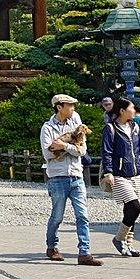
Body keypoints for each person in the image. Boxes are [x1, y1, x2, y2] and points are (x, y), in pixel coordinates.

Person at [40, 93, 101, 266]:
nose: (73, 108)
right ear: (59, 107)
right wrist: (70, 146)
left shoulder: (77, 124)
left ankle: (85, 252)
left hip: (76, 175)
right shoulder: (48, 128)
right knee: (57, 216)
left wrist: (63, 146)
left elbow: (82, 151)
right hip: (57, 177)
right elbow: (47, 153)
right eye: (70, 105)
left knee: (82, 216)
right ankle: (52, 247)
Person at [102, 96, 140, 257]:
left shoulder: (135, 127)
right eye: (131, 108)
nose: (134, 111)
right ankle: (119, 239)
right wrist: (108, 172)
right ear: (122, 111)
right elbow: (107, 152)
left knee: (132, 210)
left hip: (136, 173)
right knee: (135, 206)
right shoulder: (110, 129)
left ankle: (128, 244)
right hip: (120, 174)